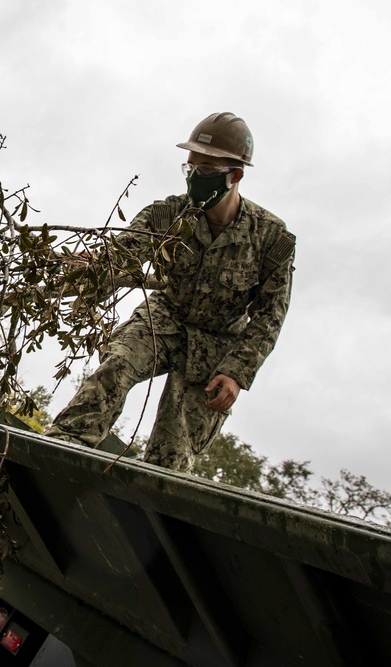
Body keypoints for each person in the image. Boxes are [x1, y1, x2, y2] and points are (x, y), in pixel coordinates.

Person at [44, 112, 295, 472]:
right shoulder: (167, 215)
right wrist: (95, 263)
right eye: (190, 167)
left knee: (171, 456)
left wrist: (238, 373)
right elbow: (124, 251)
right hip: (164, 318)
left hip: (218, 345)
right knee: (117, 364)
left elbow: (270, 315)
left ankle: (159, 499)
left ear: (234, 175)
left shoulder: (272, 238)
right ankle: (64, 446)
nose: (195, 176)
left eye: (206, 169)